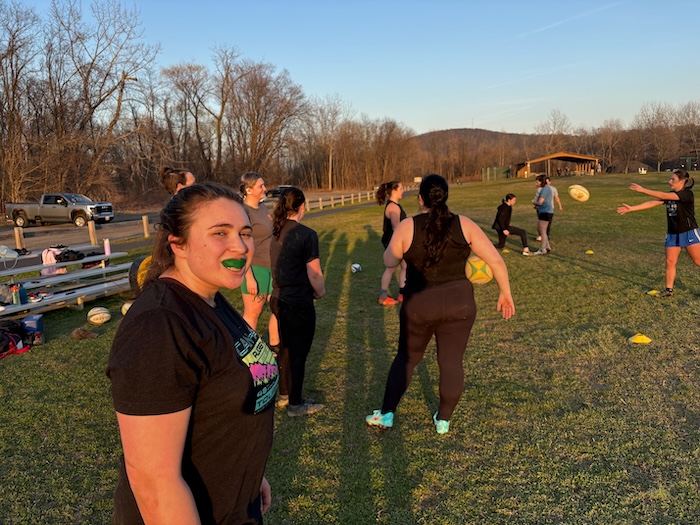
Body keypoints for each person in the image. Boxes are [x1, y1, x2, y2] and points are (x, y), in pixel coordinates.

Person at [107, 183, 278, 524]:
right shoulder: (159, 326)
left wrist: (249, 473)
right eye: (220, 233)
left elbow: (221, 404)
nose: (240, 246)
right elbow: (154, 481)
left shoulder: (210, 298)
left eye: (245, 233)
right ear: (178, 244)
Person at [366, 174, 515, 435]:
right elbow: (496, 260)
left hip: (419, 305)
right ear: (445, 196)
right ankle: (443, 419)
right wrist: (505, 293)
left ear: (421, 198)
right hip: (459, 305)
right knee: (451, 362)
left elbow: (389, 261)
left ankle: (387, 414)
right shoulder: (464, 224)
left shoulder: (408, 226)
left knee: (408, 358)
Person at [270, 187, 326, 416]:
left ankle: (284, 395)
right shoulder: (306, 234)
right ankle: (295, 404)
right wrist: (320, 291)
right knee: (298, 353)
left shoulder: (276, 230)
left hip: (278, 298)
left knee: (284, 349)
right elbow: (314, 273)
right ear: (302, 206)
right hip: (297, 302)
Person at [617, 169, 700, 297]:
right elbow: (653, 202)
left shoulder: (687, 194)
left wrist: (643, 190)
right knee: (669, 261)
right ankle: (668, 290)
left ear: (682, 182)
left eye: (673, 179)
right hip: (672, 234)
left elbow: (664, 196)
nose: (669, 182)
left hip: (688, 233)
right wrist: (632, 208)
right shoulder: (670, 194)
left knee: (698, 261)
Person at [240, 172, 280, 355]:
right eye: (260, 186)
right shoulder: (243, 212)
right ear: (249, 190)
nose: (265, 189)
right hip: (255, 268)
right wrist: (249, 277)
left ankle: (275, 347)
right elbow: (241, 247)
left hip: (272, 266)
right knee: (253, 314)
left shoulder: (263, 208)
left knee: (279, 307)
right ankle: (248, 353)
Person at [376, 180, 407, 305]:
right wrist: (402, 244)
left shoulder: (395, 205)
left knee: (405, 267)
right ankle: (383, 297)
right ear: (394, 191)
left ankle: (402, 294)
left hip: (395, 242)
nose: (403, 191)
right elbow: (397, 228)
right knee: (391, 268)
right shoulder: (393, 207)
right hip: (393, 243)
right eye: (401, 189)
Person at [532, 175, 553, 254]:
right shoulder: (545, 189)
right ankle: (547, 246)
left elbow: (540, 202)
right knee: (540, 229)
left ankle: (543, 249)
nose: (536, 183)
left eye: (537, 182)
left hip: (545, 211)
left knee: (542, 231)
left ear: (541, 182)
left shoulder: (545, 189)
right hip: (544, 211)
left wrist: (535, 203)